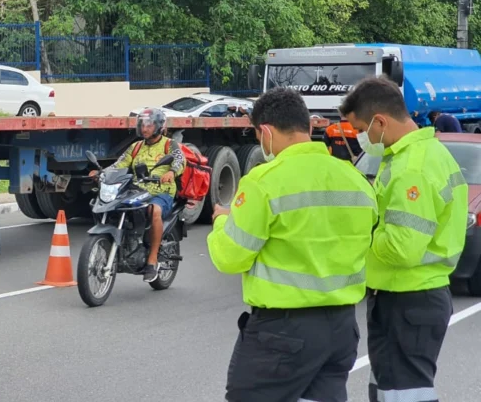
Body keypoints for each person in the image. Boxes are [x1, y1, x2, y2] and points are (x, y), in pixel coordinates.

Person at [207, 87, 377, 402]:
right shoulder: (355, 179)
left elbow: (230, 257)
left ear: (266, 133)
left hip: (282, 333)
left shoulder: (264, 181)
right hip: (341, 328)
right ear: (309, 127)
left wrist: (221, 221)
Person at [340, 77, 467, 402]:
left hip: (408, 299)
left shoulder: (412, 168)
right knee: (392, 392)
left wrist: (359, 235)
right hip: (412, 298)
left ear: (380, 121)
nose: (359, 138)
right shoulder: (423, 154)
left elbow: (401, 247)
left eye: (360, 129)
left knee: (403, 396)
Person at [89, 108, 184, 282]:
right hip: (138, 189)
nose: (144, 128)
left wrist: (171, 172)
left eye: (148, 125)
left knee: (154, 210)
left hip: (161, 191)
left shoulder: (169, 144)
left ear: (159, 126)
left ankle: (152, 260)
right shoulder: (136, 146)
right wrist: (102, 173)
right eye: (142, 124)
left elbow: (179, 160)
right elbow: (120, 164)